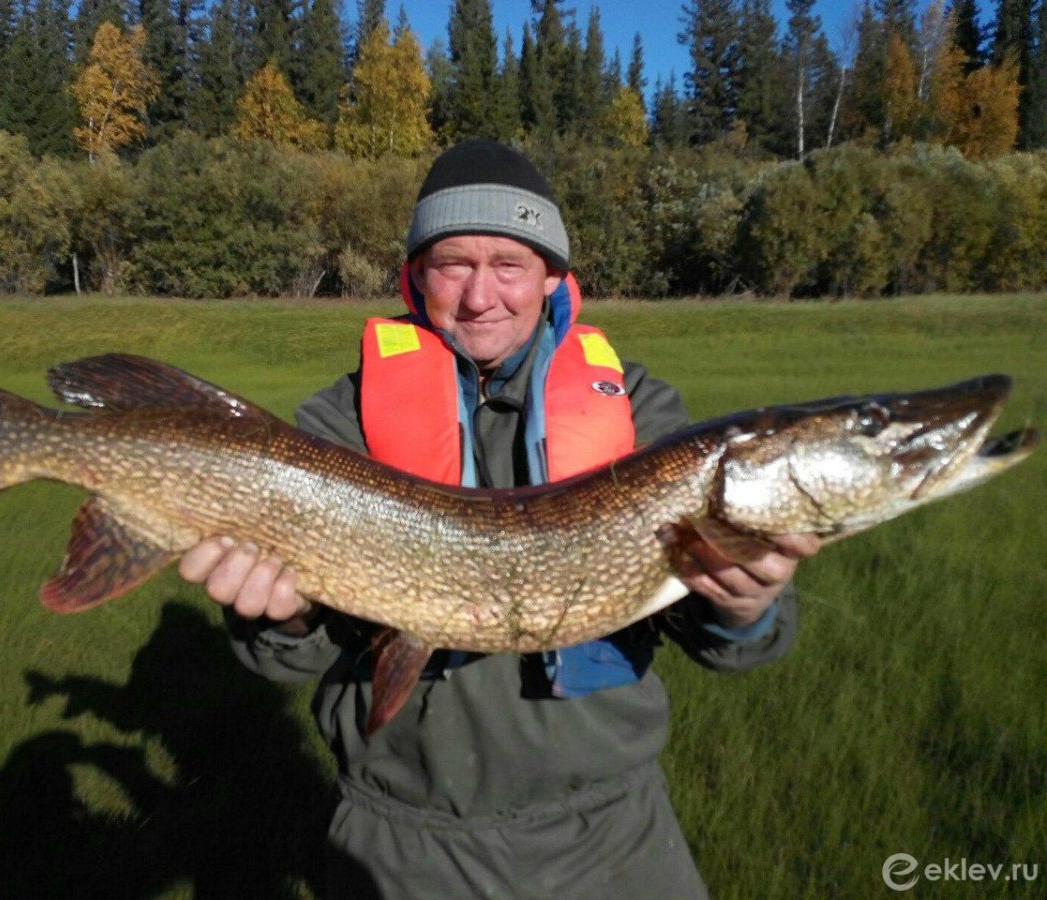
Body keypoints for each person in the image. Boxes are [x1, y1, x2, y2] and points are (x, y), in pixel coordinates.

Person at [179, 140, 820, 898]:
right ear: (415, 275)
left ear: (552, 276)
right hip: (405, 841)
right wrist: (279, 622)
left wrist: (745, 609)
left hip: (614, 836)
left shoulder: (643, 415)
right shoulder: (337, 423)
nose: (482, 295)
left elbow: (725, 645)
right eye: (453, 262)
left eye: (509, 265)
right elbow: (289, 658)